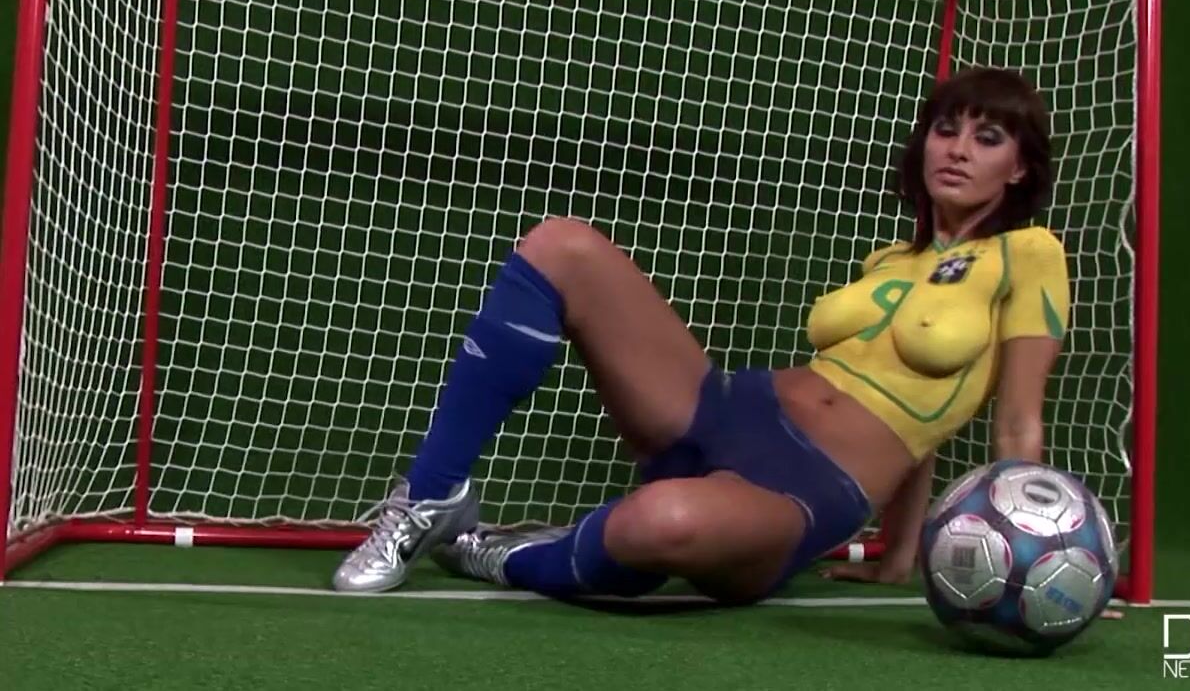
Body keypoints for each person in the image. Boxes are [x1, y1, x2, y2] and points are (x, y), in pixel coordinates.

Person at [331, 66, 1068, 604]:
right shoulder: (890, 262)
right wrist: (898, 553)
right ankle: (431, 498)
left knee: (663, 522)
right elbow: (927, 421)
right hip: (727, 409)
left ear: (1019, 168)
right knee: (563, 246)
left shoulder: (1028, 254)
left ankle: (505, 557)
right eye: (946, 129)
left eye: (988, 138)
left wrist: (1021, 556)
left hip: (802, 491)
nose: (958, 149)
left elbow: (1010, 421)